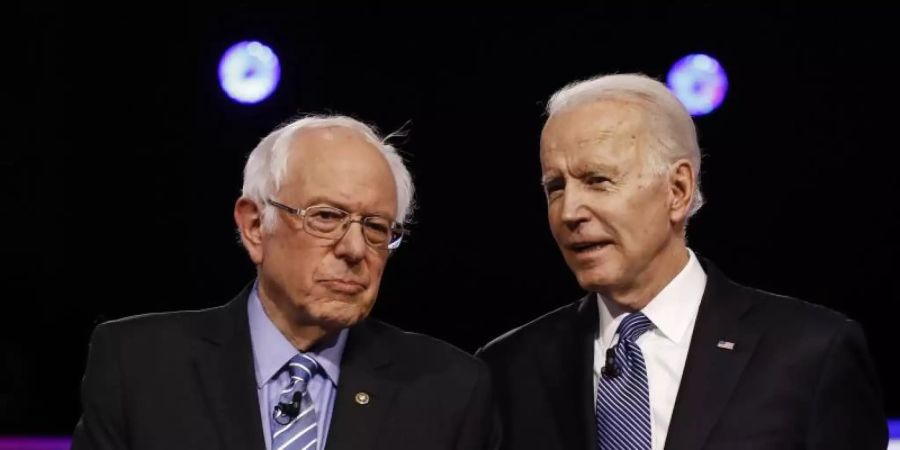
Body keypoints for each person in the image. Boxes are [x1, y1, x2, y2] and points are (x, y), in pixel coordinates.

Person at [477, 73, 887, 450]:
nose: (570, 212)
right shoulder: (508, 370)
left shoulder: (812, 354)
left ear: (678, 189)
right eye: (555, 187)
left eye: (598, 181)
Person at [73, 115, 499, 450]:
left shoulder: (450, 389)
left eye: (375, 227)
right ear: (256, 226)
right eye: (326, 217)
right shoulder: (138, 366)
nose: (355, 249)